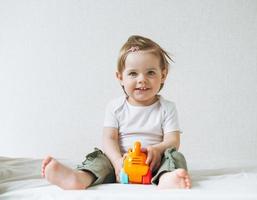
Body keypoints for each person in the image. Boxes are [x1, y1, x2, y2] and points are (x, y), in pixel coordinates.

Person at [41, 35, 192, 189]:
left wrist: (158, 150)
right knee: (100, 160)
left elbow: (173, 140)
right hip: (120, 164)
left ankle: (167, 178)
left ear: (163, 75)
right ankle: (79, 178)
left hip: (153, 163)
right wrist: (117, 161)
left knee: (174, 156)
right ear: (120, 77)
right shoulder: (115, 107)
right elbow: (109, 138)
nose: (142, 79)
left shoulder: (167, 108)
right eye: (133, 73)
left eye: (150, 73)